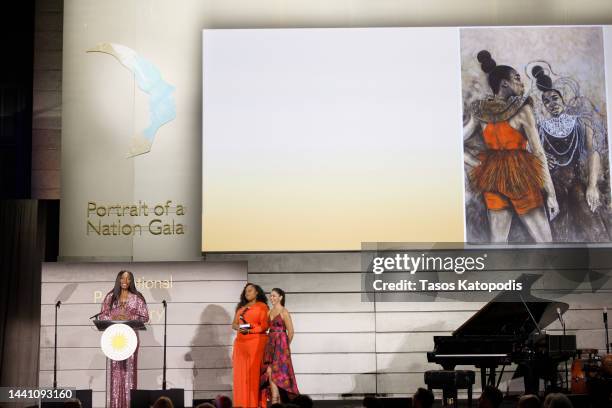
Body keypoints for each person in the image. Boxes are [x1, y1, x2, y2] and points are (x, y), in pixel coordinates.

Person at [464, 50, 558, 243]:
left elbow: (455, 142)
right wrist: (551, 195)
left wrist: (476, 164)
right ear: (504, 83)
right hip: (521, 177)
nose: (521, 83)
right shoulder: (523, 109)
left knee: (498, 243)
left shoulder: (480, 110)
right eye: (517, 78)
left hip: (492, 178)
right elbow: (538, 152)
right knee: (546, 243)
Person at [532, 64, 610, 242]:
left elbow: (593, 151)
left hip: (576, 182)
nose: (552, 104)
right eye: (547, 101)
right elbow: (535, 155)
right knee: (558, 225)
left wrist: (592, 185)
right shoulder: (540, 129)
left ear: (563, 98)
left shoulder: (580, 122)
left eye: (555, 98)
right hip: (553, 185)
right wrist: (543, 158)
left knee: (589, 216)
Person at [99, 270, 149, 408]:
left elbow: (145, 317)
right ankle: (115, 404)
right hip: (114, 338)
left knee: (129, 373)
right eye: (122, 278)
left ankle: (129, 404)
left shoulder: (137, 298)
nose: (125, 281)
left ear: (131, 281)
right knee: (116, 373)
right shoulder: (110, 297)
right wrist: (114, 317)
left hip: (130, 338)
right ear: (118, 280)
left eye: (128, 279)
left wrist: (129, 318)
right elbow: (102, 316)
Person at [232, 283, 270, 408]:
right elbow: (234, 325)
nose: (247, 293)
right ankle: (241, 404)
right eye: (245, 291)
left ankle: (254, 404)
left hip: (256, 343)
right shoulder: (241, 308)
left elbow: (265, 326)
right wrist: (240, 328)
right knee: (241, 376)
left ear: (257, 292)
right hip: (240, 344)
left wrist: (249, 330)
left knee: (253, 374)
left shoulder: (262, 307)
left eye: (250, 291)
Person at [261, 288, 299, 404]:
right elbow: (264, 328)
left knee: (279, 374)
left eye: (274, 296)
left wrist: (284, 348)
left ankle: (279, 400)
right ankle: (274, 401)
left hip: (281, 348)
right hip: (270, 346)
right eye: (270, 296)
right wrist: (245, 328)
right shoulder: (269, 312)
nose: (271, 298)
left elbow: (291, 331)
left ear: (280, 297)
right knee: (270, 373)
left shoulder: (284, 312)